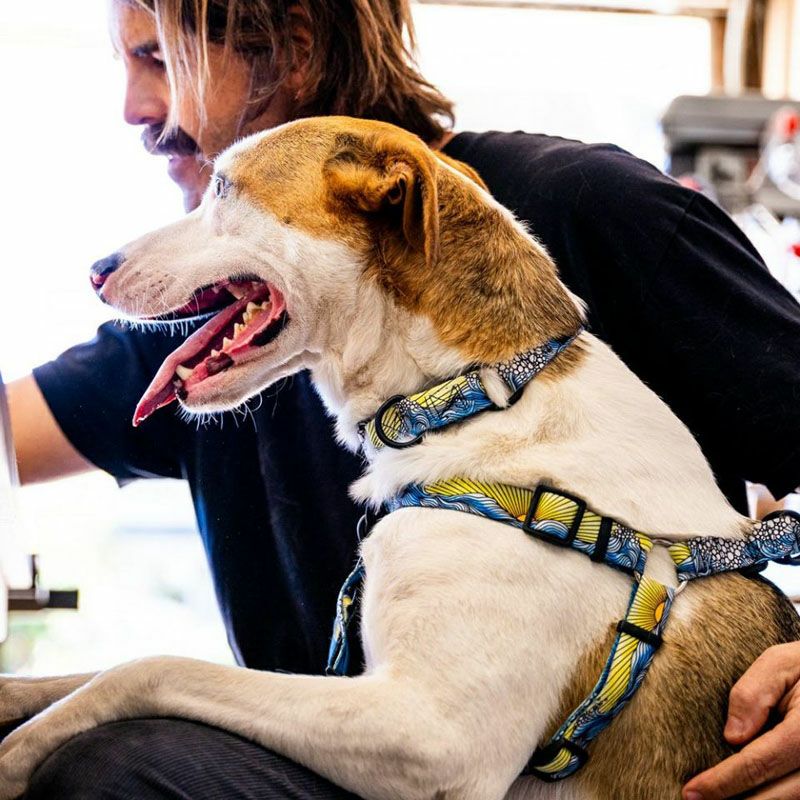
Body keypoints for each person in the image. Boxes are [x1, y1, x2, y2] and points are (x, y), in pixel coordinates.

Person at [7, 1, 800, 797]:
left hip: (492, 761)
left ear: (290, 50)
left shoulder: (591, 208)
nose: (132, 108)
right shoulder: (229, 321)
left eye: (158, 59)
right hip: (356, 760)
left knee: (106, 770)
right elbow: (16, 428)